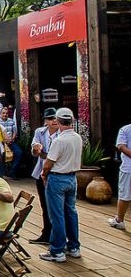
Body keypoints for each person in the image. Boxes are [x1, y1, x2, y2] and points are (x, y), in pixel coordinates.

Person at [39, 108, 82, 262]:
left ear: (58, 121)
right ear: (72, 121)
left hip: (57, 178)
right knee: (71, 212)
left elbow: (48, 163)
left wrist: (44, 175)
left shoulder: (59, 140)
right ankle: (74, 246)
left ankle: (57, 250)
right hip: (72, 177)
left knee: (57, 215)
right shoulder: (77, 137)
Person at [29, 108, 59, 244]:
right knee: (44, 206)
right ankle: (47, 234)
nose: (54, 121)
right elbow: (35, 150)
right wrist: (36, 149)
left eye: (55, 118)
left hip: (56, 173)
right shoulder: (40, 132)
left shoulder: (62, 134)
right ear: (46, 121)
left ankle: (57, 237)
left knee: (57, 207)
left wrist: (44, 155)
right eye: (50, 118)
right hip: (41, 173)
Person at [110, 121, 131, 230]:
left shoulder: (125, 129)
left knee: (124, 194)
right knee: (124, 194)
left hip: (128, 168)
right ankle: (119, 220)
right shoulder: (125, 129)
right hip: (128, 168)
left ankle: (119, 220)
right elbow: (121, 146)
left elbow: (121, 146)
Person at [0, 107, 22, 179]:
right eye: (3, 113)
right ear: (0, 114)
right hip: (1, 143)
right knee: (1, 156)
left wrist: (12, 139)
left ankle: (12, 171)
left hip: (11, 142)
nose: (5, 114)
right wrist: (3, 141)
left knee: (19, 153)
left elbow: (14, 132)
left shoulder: (11, 121)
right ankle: (1, 174)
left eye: (6, 113)